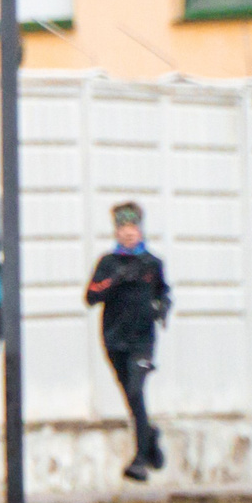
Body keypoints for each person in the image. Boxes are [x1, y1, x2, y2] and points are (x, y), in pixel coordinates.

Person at [86, 201, 172, 481]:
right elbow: (91, 296)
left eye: (133, 227)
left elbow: (163, 292)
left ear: (140, 229)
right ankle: (150, 436)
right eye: (123, 227)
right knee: (132, 398)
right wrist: (116, 280)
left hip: (142, 341)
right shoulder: (108, 262)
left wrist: (162, 307)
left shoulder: (152, 263)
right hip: (114, 340)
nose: (128, 233)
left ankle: (139, 460)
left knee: (137, 390)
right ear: (116, 231)